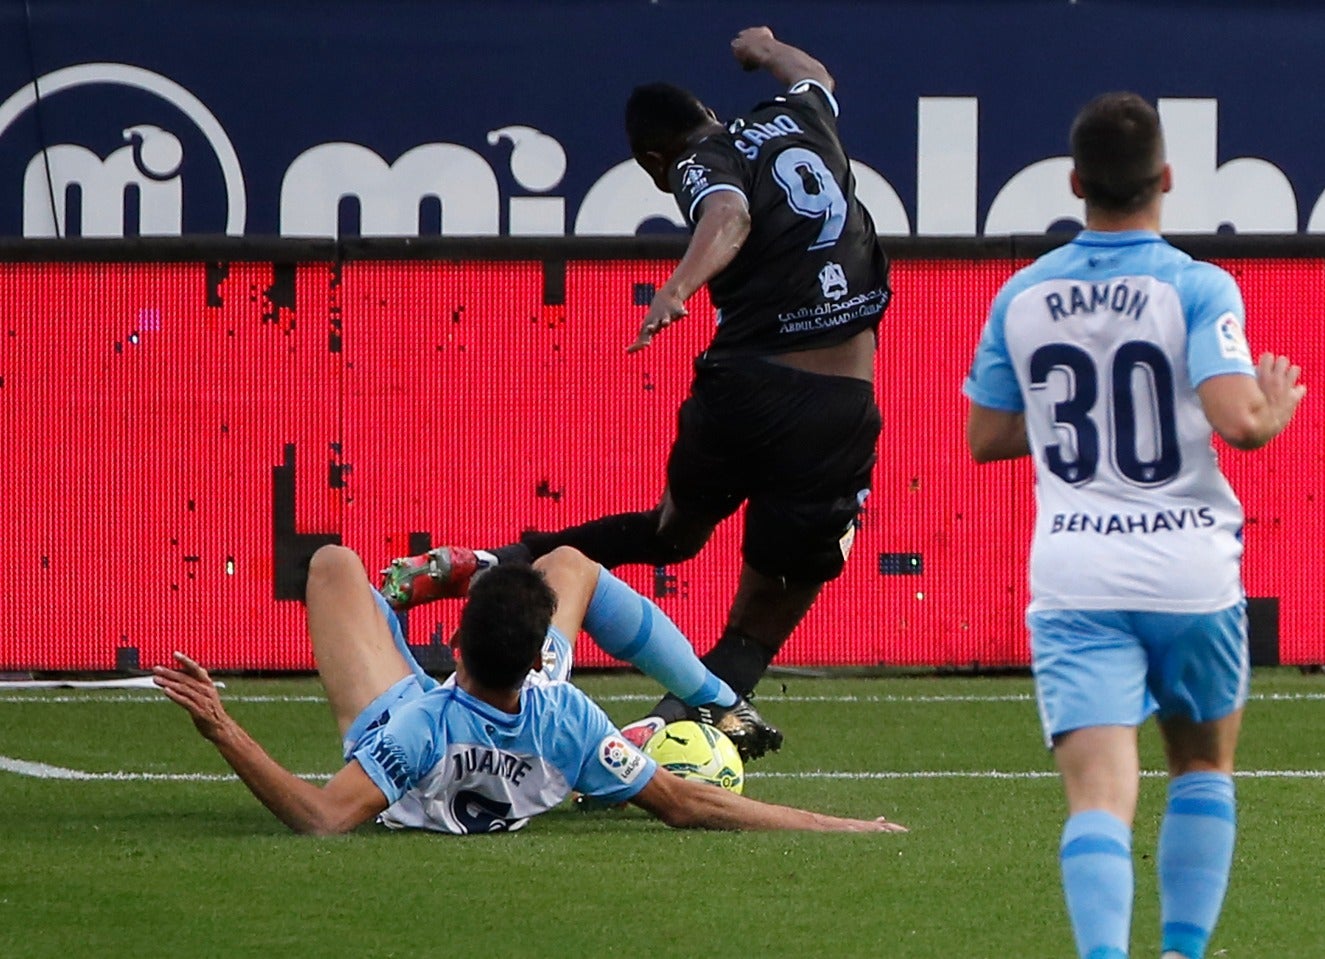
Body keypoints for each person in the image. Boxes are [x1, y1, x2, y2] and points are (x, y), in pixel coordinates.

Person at [381, 26, 892, 757]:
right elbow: (805, 85)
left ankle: (497, 562)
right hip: (832, 407)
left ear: (652, 158)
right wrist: (766, 46)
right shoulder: (797, 115)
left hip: (741, 393)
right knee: (769, 604)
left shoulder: (694, 159)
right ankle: (676, 735)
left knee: (669, 534)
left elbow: (729, 212)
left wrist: (679, 288)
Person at [963, 92, 1305, 959]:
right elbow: (1235, 419)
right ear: (1165, 179)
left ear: (1074, 182)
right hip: (1189, 569)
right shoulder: (1197, 284)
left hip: (1075, 572)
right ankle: (1182, 953)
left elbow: (985, 434)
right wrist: (1269, 417)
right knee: (1199, 768)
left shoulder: (1023, 293)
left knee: (1097, 799)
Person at [154, 543, 906, 836]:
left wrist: (225, 728)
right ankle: (714, 693)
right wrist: (846, 826)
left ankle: (453, 572)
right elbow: (687, 801)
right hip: (521, 735)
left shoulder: (417, 725)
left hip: (407, 725)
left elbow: (320, 818)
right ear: (538, 659)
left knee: (333, 566)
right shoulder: (564, 713)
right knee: (572, 565)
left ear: (453, 645)